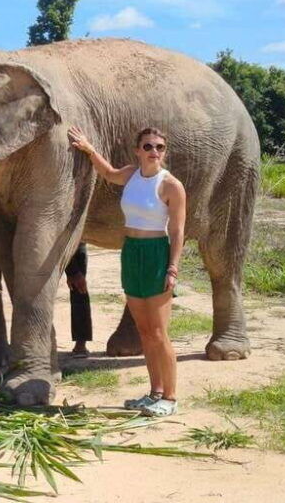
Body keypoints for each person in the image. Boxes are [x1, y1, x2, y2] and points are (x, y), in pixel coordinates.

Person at [67, 125, 186, 417]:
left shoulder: (171, 185)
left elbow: (178, 230)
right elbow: (107, 173)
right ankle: (154, 392)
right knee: (144, 332)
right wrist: (87, 148)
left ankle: (170, 398)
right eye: (148, 146)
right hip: (131, 252)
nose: (154, 152)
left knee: (159, 332)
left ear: (164, 152)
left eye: (159, 147)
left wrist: (172, 267)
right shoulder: (132, 174)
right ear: (137, 150)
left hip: (156, 253)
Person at [65, 242, 92, 358]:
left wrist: (73, 271)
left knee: (79, 288)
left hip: (74, 244)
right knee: (79, 288)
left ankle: (80, 343)